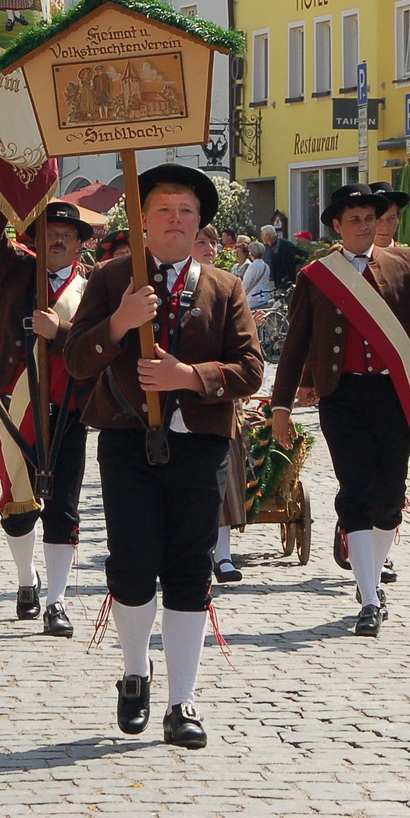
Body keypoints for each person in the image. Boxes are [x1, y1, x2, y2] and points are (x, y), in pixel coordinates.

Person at [65, 164, 263, 749]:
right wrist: (120, 325)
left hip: (199, 445)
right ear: (142, 221)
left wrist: (191, 376)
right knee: (130, 565)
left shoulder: (224, 287)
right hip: (127, 441)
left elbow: (250, 370)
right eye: (163, 211)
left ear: (200, 223)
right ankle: (134, 673)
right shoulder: (110, 279)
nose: (175, 221)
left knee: (187, 568)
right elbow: (77, 359)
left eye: (187, 212)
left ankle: (182, 700)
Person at [270, 178, 410, 636]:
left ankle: (375, 565)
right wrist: (281, 406)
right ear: (336, 225)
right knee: (357, 489)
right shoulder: (317, 277)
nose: (366, 226)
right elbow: (295, 346)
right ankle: (369, 597)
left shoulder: (408, 261)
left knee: (390, 498)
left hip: (395, 394)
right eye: (356, 220)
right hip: (342, 397)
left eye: (372, 218)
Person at [0, 199, 93, 635]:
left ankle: (56, 602)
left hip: (69, 411)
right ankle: (27, 580)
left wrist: (58, 333)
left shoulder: (94, 287)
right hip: (15, 405)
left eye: (66, 234)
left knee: (63, 510)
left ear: (79, 243)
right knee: (18, 510)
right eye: (49, 233)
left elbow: (97, 343)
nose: (58, 239)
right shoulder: (15, 270)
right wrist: (9, 188)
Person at [260, 225, 298, 290]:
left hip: (283, 285)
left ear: (267, 235)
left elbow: (301, 256)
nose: (261, 237)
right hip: (268, 284)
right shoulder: (267, 247)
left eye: (262, 235)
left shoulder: (285, 245)